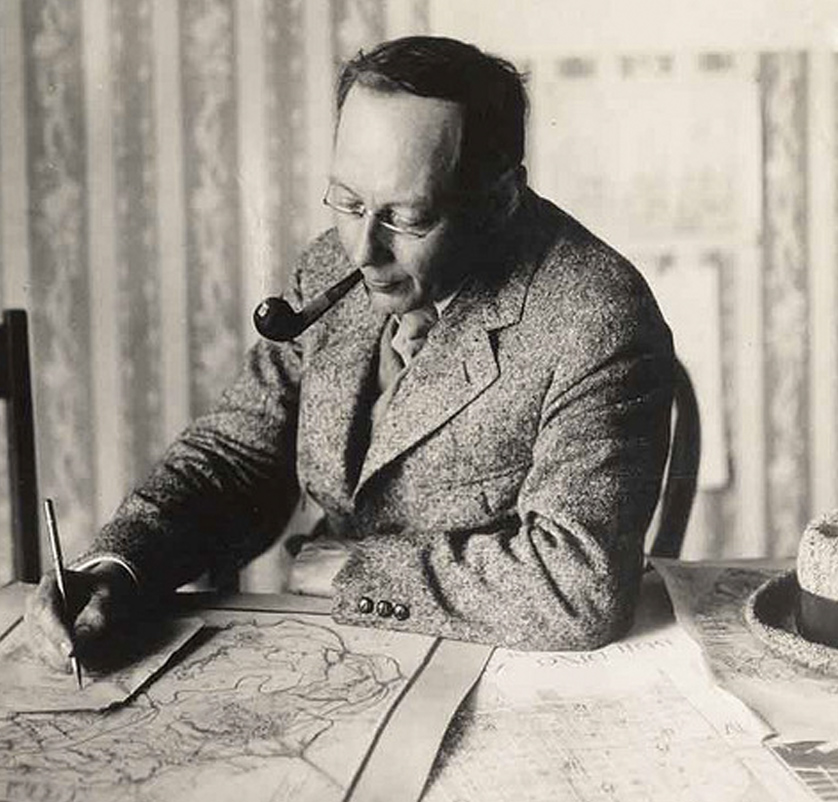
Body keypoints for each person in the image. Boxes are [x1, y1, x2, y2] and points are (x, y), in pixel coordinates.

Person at [26, 35, 674, 666]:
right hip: (341, 654)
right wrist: (122, 566)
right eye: (348, 201)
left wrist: (359, 571)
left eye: (407, 218)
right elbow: (237, 458)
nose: (363, 251)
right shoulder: (330, 267)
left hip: (499, 669)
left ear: (498, 199)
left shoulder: (595, 315)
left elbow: (578, 585)